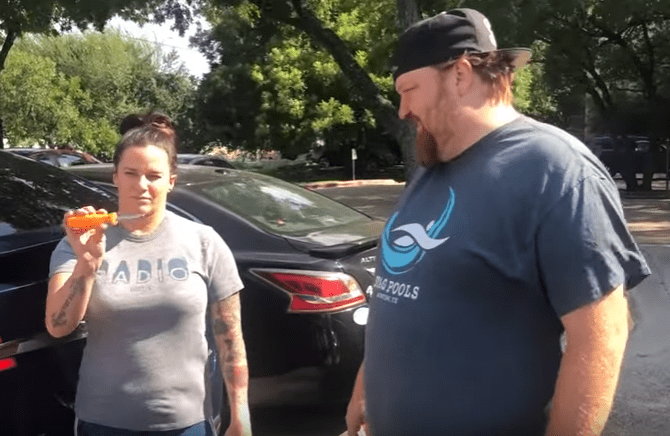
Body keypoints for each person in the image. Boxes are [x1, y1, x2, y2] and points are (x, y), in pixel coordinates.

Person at [345, 8, 650, 436]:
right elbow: (403, 298)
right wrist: (367, 389)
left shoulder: (555, 170)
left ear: (460, 74)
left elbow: (601, 335)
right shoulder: (432, 171)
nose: (402, 109)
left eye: (408, 89)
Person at [45, 111, 252, 436]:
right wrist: (87, 265)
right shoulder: (80, 241)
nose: (141, 185)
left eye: (154, 175)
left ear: (171, 180)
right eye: (130, 173)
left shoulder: (204, 242)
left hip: (188, 423)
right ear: (115, 176)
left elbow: (231, 339)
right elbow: (58, 326)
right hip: (104, 422)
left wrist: (241, 417)